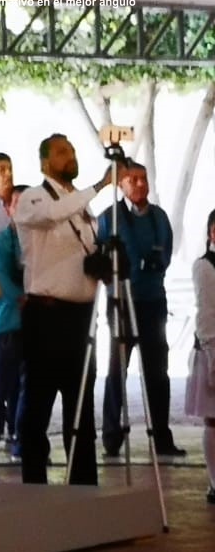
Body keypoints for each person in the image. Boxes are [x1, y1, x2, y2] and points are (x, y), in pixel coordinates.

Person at [12, 133, 116, 487]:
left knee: (81, 403)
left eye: (71, 150)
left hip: (81, 318)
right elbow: (54, 215)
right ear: (45, 162)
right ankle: (34, 482)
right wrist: (100, 185)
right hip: (46, 316)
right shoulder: (34, 198)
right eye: (61, 151)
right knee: (38, 402)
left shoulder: (82, 206)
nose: (69, 155)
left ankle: (83, 482)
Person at [96, 161, 183, 457]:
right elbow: (100, 257)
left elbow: (165, 253)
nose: (140, 184)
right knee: (117, 370)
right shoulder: (110, 218)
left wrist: (153, 264)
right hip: (122, 302)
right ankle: (111, 437)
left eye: (143, 178)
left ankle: (162, 438)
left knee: (158, 372)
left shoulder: (159, 217)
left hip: (153, 300)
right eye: (132, 179)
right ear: (120, 184)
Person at [0, 186, 30, 464]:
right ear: (8, 209)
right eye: (17, 203)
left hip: (33, 326)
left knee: (27, 388)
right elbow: (0, 281)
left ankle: (21, 440)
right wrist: (28, 297)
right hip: (5, 325)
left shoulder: (39, 242)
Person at [186, 208, 215, 505]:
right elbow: (206, 313)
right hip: (212, 348)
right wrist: (211, 351)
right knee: (214, 418)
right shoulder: (205, 267)